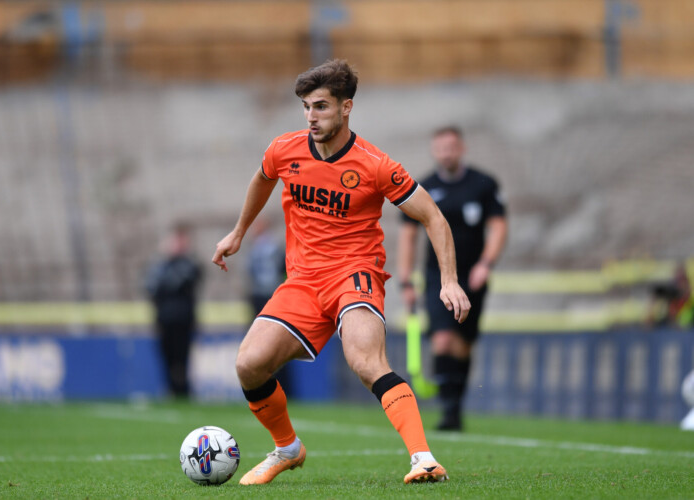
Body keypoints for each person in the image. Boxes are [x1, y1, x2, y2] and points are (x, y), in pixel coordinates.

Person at [212, 59, 470, 485]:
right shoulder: (284, 149)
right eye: (306, 107)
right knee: (249, 365)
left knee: (365, 361)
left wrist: (449, 280)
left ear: (346, 107)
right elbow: (263, 178)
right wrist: (238, 232)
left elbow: (433, 217)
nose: (311, 117)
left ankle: (423, 458)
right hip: (302, 281)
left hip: (355, 274)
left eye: (321, 107)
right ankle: (287, 448)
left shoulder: (375, 164)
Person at [398, 126, 508, 431]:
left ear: (462, 149)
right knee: (443, 339)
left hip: (473, 276)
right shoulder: (423, 188)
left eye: (451, 147)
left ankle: (456, 409)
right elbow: (408, 236)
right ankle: (447, 410)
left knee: (462, 344)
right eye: (441, 148)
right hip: (437, 276)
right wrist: (406, 280)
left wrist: (486, 263)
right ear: (434, 151)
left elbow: (499, 227)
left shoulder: (483, 184)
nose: (446, 154)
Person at [145, 221, 203, 398]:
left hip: (183, 319)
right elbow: (151, 287)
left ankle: (183, 390)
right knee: (166, 356)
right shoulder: (161, 264)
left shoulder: (190, 264)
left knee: (182, 358)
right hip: (164, 318)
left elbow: (176, 283)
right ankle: (170, 389)